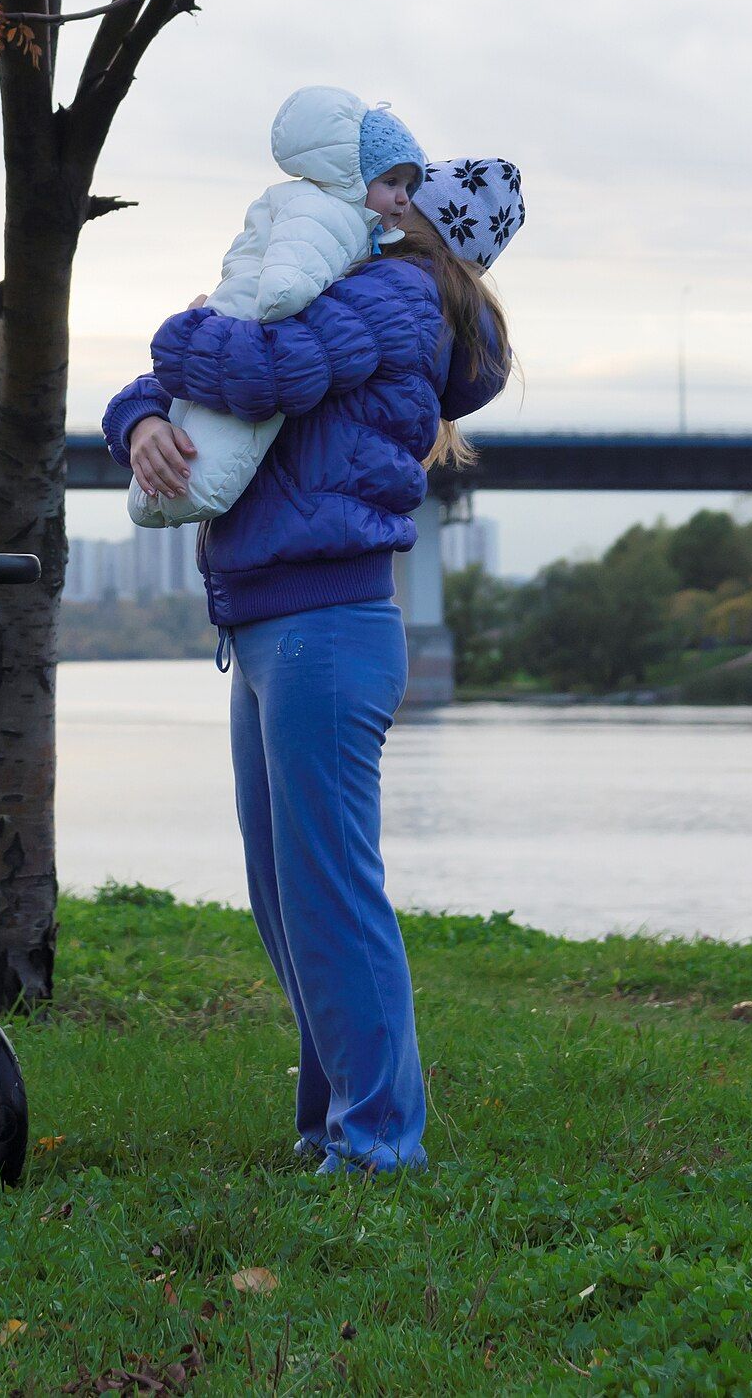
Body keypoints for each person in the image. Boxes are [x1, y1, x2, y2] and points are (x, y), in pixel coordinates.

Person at [102, 155, 522, 1173]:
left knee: (331, 895)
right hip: (262, 621)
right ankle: (327, 1124)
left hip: (324, 623)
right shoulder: (340, 286)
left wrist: (183, 327)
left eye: (401, 190)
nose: (377, 197)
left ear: (427, 220)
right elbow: (160, 389)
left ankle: (379, 1143)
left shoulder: (396, 294)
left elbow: (251, 371)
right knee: (286, 898)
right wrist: (144, 420)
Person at [129, 86, 426, 528]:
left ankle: (154, 500)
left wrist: (187, 335)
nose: (403, 200)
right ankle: (156, 498)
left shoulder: (384, 289)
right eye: (390, 183)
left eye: (409, 188)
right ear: (354, 177)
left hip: (292, 559)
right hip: (276, 560)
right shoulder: (335, 221)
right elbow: (283, 295)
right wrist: (138, 419)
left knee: (196, 466)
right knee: (201, 458)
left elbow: (268, 367)